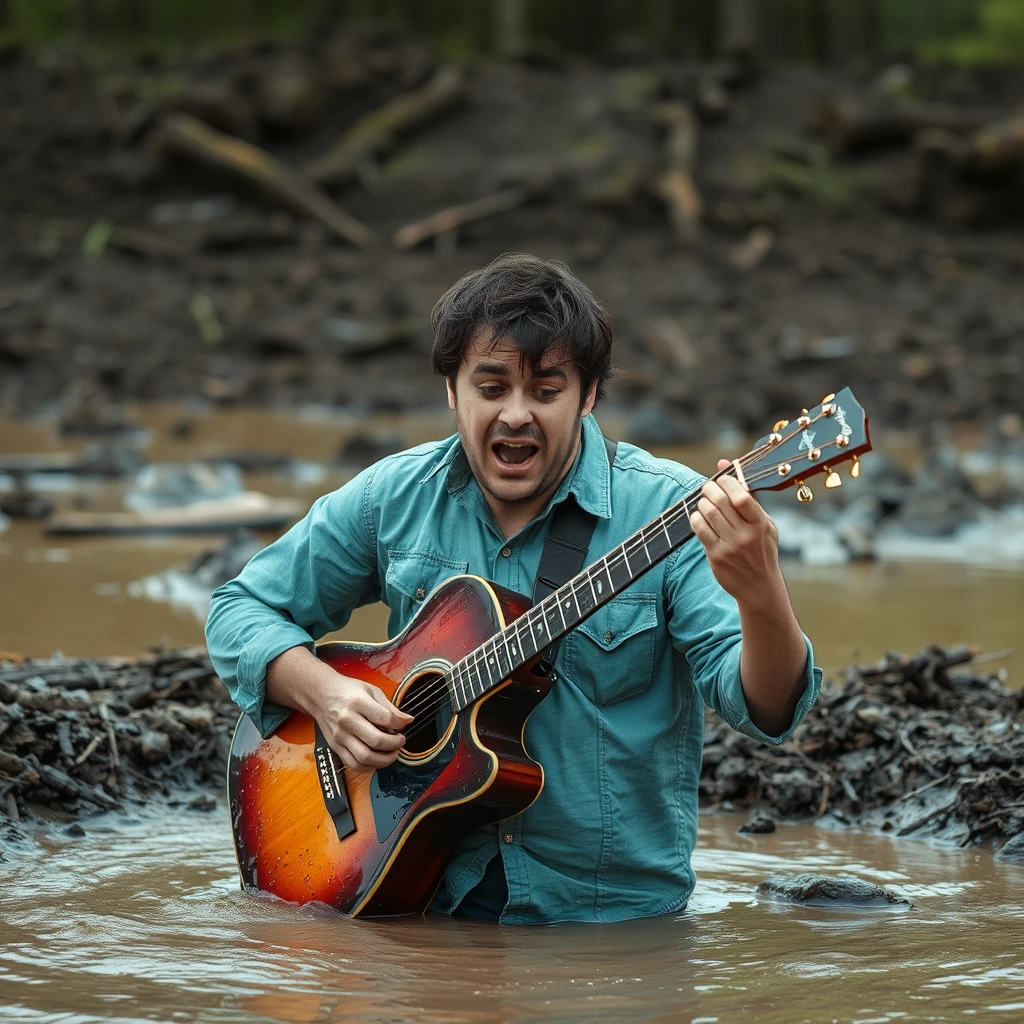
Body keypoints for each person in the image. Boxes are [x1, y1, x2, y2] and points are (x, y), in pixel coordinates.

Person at [205, 252, 821, 925]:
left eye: (546, 390)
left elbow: (765, 711)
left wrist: (762, 593)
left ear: (588, 396)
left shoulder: (669, 514)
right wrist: (326, 695)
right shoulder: (397, 496)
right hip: (417, 906)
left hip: (608, 932)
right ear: (453, 392)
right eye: (491, 387)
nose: (516, 416)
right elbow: (240, 609)